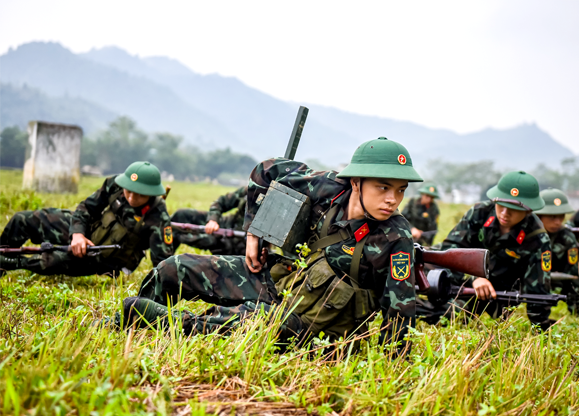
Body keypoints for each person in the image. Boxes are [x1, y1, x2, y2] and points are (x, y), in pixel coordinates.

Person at [118, 137, 421, 350]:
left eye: (400, 190)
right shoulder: (329, 186)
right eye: (383, 187)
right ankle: (124, 324)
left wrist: (389, 359)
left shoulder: (396, 236)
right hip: (280, 281)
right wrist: (253, 232)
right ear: (356, 182)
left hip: (309, 323)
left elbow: (400, 310)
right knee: (174, 268)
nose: (392, 199)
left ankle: (153, 318)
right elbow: (267, 170)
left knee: (234, 324)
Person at [422, 170, 555, 330]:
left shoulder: (538, 238)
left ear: (528, 210)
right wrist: (472, 278)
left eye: (514, 208)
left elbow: (538, 291)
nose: (505, 213)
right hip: (465, 283)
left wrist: (541, 331)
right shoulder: (479, 212)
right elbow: (449, 250)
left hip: (499, 295)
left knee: (453, 314)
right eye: (501, 205)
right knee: (427, 264)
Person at [0, 161, 175, 278]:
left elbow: (163, 267)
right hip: (88, 230)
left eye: (139, 194)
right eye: (128, 190)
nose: (131, 197)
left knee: (51, 260)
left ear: (152, 193)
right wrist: (77, 234)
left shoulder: (158, 218)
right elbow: (86, 208)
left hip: (103, 257)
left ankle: (6, 262)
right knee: (22, 219)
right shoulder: (115, 184)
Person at [534, 188, 579, 315]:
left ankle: (578, 310)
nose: (557, 221)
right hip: (530, 275)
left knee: (572, 280)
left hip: (558, 272)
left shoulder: (567, 236)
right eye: (552, 217)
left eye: (560, 216)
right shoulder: (528, 234)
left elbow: (572, 268)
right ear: (539, 215)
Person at [171, 185, 247, 256]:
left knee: (182, 236)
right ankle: (162, 260)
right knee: (181, 215)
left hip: (237, 245)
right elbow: (220, 202)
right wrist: (213, 220)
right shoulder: (252, 190)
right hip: (224, 225)